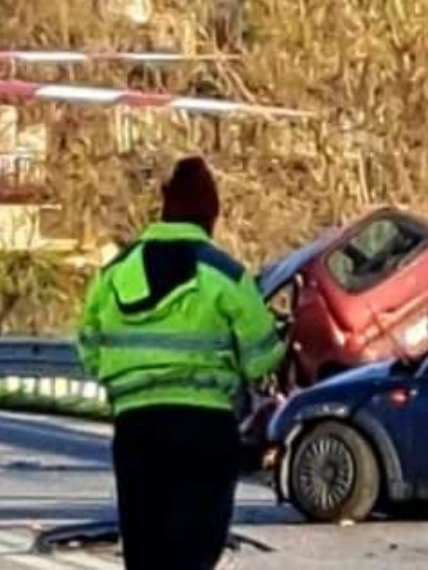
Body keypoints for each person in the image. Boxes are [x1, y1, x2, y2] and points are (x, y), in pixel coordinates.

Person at [78, 157, 285, 570]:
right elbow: (263, 357)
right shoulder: (224, 275)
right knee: (195, 549)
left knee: (146, 551)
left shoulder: (114, 275)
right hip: (204, 431)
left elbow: (89, 349)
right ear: (210, 213)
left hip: (136, 429)